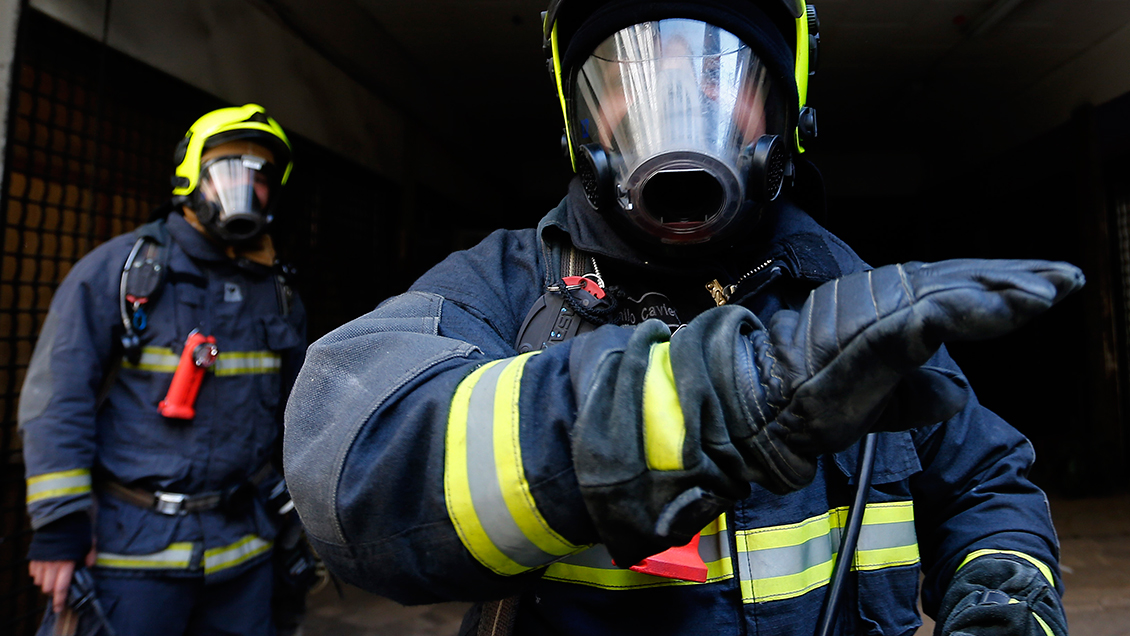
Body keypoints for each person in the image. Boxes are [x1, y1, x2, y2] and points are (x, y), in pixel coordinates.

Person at [283, 2, 1078, 635]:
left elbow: (984, 481)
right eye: (630, 71)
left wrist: (1002, 597)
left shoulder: (849, 292)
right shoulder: (506, 288)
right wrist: (707, 402)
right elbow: (349, 474)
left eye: (711, 68)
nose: (670, 103)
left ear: (779, 107)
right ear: (579, 119)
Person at [21, 103, 308, 636]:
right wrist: (60, 525)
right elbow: (56, 399)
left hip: (242, 557)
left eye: (260, 176)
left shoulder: (280, 294)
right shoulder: (122, 272)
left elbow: (299, 418)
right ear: (190, 177)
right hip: (130, 557)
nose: (244, 187)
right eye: (227, 169)